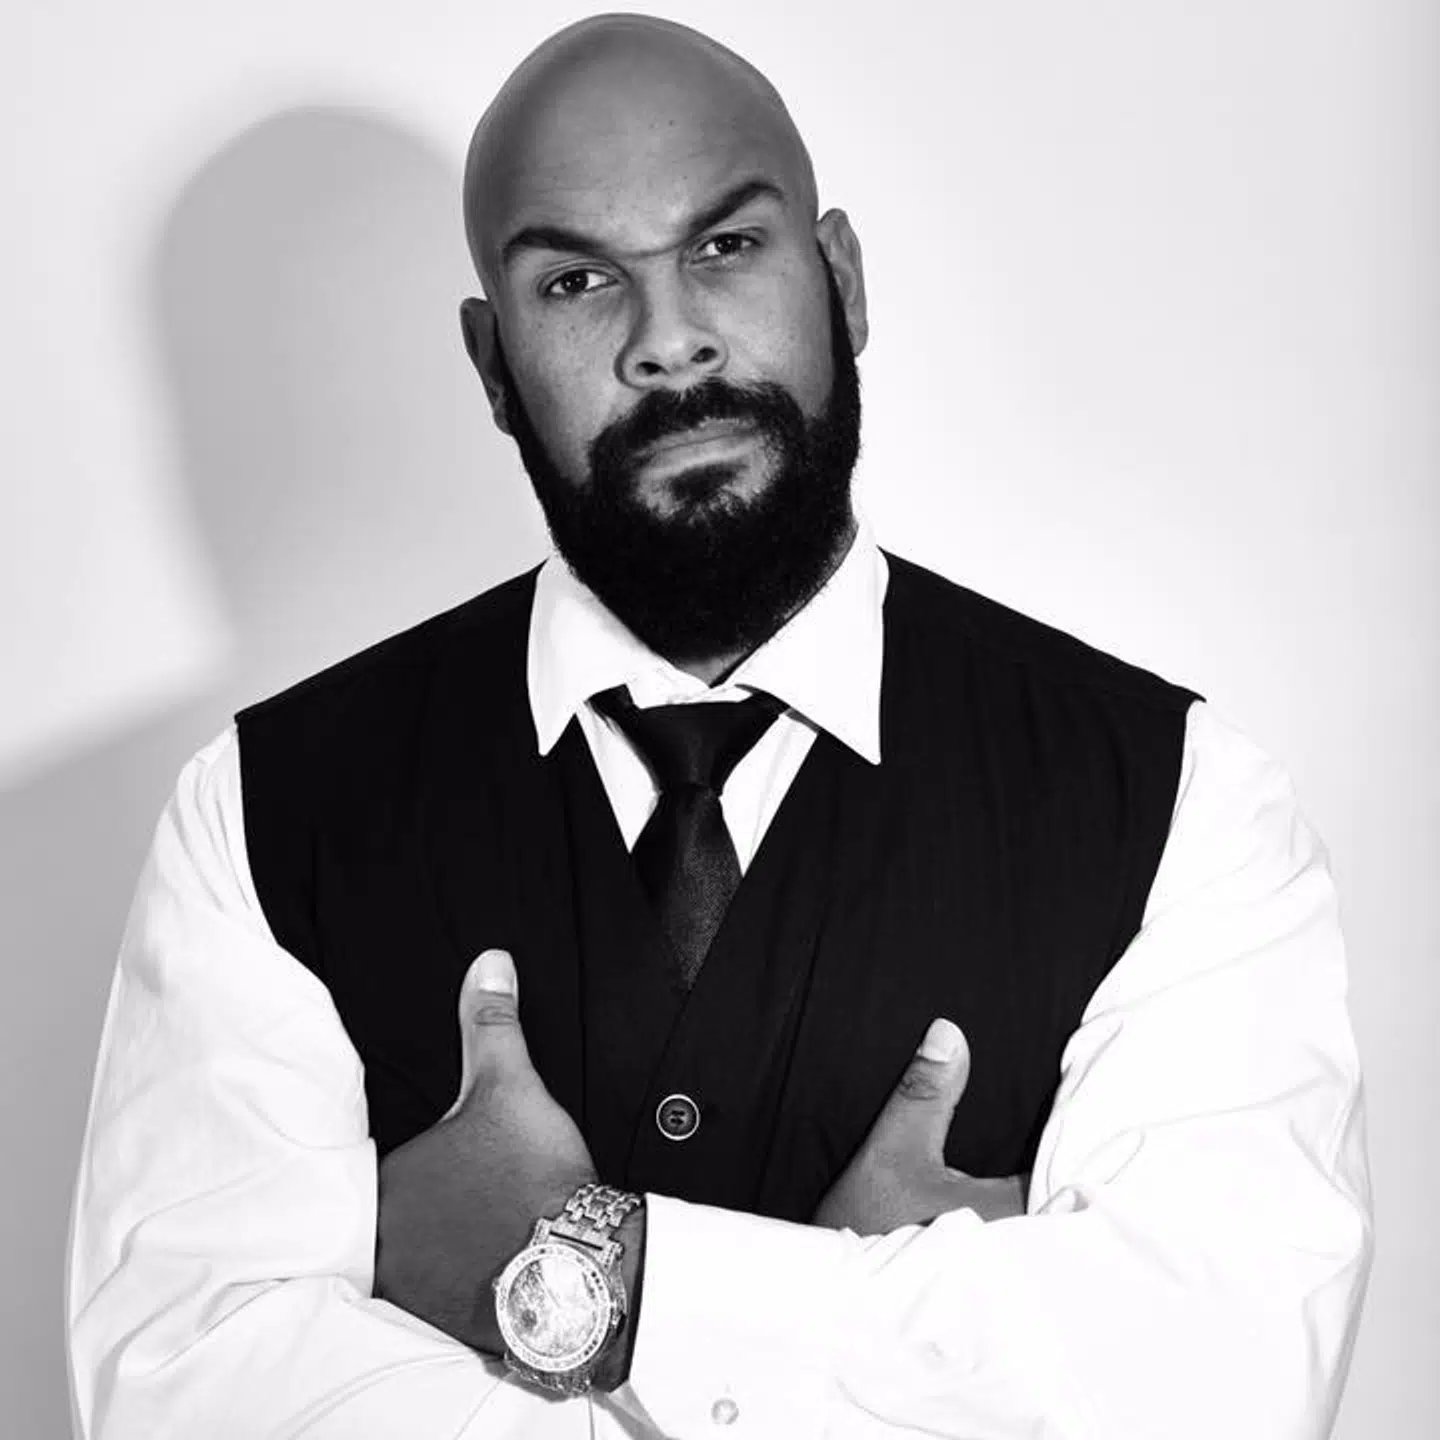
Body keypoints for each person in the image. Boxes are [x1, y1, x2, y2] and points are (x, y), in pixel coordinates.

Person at [67, 13, 1372, 1439]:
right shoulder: (261, 814)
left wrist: (589, 1276)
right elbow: (182, 1395)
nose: (669, 341)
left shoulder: (1179, 804)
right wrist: (901, 1334)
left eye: (727, 247)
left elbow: (1223, 1388)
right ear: (493, 365)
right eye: (577, 282)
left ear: (843, 279)